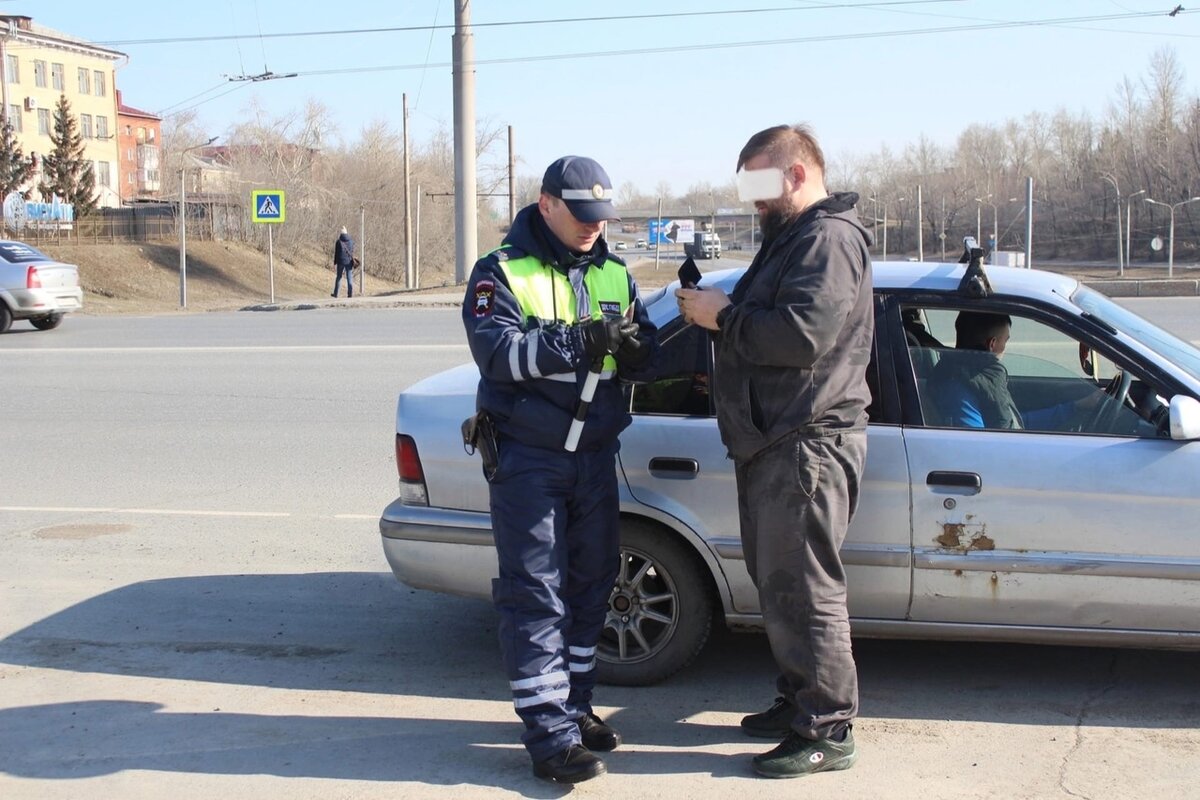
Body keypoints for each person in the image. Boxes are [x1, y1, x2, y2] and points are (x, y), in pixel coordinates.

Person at [675, 124, 873, 779]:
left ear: (794, 174)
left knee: (808, 591)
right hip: (773, 442)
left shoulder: (828, 239)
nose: (753, 203)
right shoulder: (789, 238)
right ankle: (797, 702)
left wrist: (720, 317)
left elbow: (800, 338)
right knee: (780, 587)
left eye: (760, 187)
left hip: (805, 445)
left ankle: (826, 728)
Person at [461, 155, 657, 784]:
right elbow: (497, 355)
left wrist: (637, 352)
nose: (592, 228)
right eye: (580, 215)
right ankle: (548, 736)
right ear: (546, 204)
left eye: (601, 217)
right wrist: (577, 340)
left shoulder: (616, 274)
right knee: (535, 594)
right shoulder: (499, 271)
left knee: (593, 586)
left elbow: (639, 353)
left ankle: (574, 707)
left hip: (595, 457)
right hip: (529, 458)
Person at [928, 311, 1100, 430]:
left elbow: (1011, 424)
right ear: (992, 344)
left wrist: (1076, 407)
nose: (1006, 348)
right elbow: (977, 445)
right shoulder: (957, 388)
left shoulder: (980, 378)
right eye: (1006, 341)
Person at [332, 226, 354, 298]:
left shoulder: (338, 241)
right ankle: (350, 294)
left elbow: (336, 253)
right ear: (346, 232)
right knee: (349, 277)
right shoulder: (351, 241)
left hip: (340, 261)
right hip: (349, 261)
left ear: (341, 233)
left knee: (339, 277)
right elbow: (352, 251)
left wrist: (335, 263)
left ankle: (336, 294)